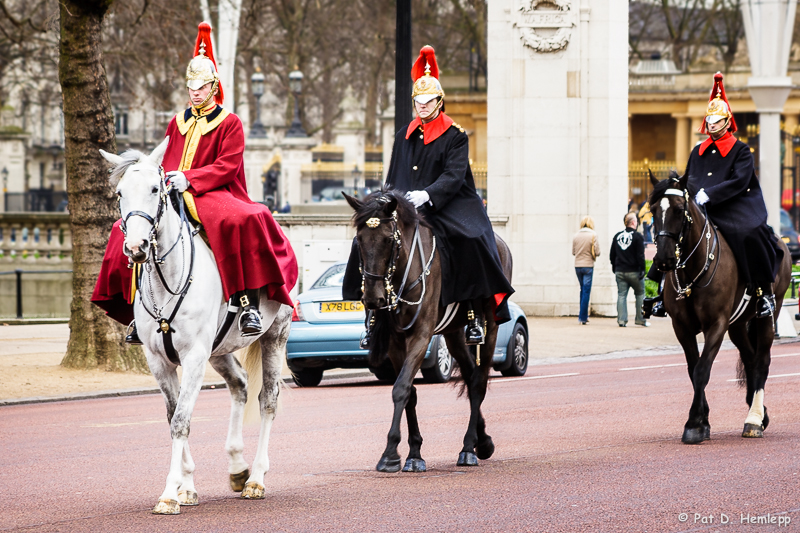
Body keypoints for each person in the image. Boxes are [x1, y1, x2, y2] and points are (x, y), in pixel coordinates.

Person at [92, 22, 298, 342]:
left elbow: (227, 166)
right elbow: (165, 157)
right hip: (172, 189)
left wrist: (189, 178)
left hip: (214, 191)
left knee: (242, 219)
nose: (195, 92)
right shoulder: (177, 121)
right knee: (130, 226)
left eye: (201, 87)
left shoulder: (230, 123)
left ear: (213, 87)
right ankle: (136, 308)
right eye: (191, 86)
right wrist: (163, 178)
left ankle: (247, 303)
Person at [343, 45, 514, 346]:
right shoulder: (403, 135)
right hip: (407, 206)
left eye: (428, 101)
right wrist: (386, 201)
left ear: (439, 101)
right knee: (368, 237)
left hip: (449, 204)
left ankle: (473, 313)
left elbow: (453, 177)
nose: (422, 106)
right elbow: (394, 175)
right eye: (418, 101)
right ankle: (370, 312)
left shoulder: (456, 135)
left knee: (471, 239)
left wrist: (427, 195)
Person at [643, 72, 783, 319]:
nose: (712, 124)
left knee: (751, 232)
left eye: (717, 120)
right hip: (701, 204)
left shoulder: (741, 150)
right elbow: (691, 177)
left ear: (728, 122)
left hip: (735, 204)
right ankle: (662, 292)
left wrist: (711, 194)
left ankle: (764, 294)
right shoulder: (698, 150)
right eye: (709, 120)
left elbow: (740, 181)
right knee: (674, 235)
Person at [611, 212, 648, 327]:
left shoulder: (617, 236)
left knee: (621, 295)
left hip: (620, 270)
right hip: (634, 271)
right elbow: (640, 256)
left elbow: (612, 255)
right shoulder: (637, 237)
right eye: (636, 221)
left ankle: (622, 320)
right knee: (640, 294)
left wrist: (614, 267)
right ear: (633, 222)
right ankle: (640, 319)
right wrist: (642, 269)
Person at [572, 216, 600, 325]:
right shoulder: (593, 235)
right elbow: (597, 252)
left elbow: (573, 252)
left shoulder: (576, 235)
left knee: (582, 290)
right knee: (586, 292)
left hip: (577, 265)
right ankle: (583, 317)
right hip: (588, 265)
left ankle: (583, 315)